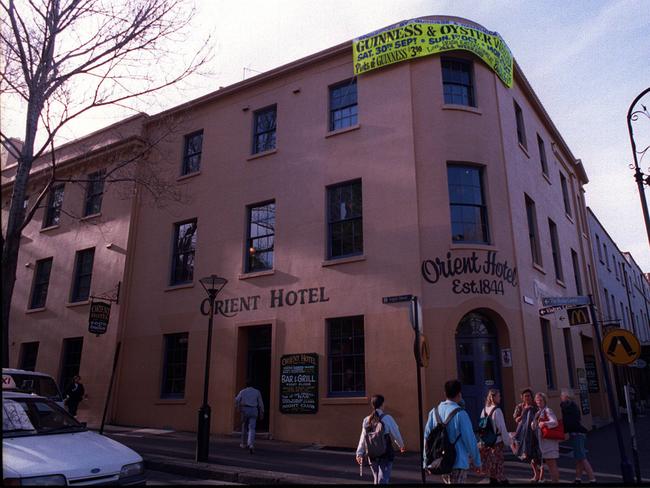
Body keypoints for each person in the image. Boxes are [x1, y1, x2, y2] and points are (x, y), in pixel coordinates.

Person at [423, 380, 481, 484]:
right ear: (459, 394)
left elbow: (427, 438)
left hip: (441, 461)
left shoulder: (434, 412)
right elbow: (470, 440)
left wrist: (426, 462)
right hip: (459, 461)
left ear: (445, 394)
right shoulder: (461, 414)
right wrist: (477, 461)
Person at [355, 394, 405, 484]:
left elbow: (363, 437)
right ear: (382, 404)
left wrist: (359, 453)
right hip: (386, 452)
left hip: (372, 453)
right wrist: (401, 445)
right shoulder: (387, 418)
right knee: (383, 480)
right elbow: (396, 434)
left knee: (376, 479)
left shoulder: (367, 420)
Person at [560, 389, 597, 484]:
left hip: (577, 433)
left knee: (582, 457)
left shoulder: (568, 407)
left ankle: (592, 479)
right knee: (579, 457)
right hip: (578, 433)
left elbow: (569, 422)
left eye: (562, 396)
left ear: (566, 397)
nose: (561, 397)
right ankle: (578, 478)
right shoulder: (573, 406)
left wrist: (563, 429)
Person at [478, 389, 511, 484]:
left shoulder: (484, 410)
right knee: (499, 468)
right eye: (498, 396)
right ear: (493, 397)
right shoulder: (497, 411)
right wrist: (508, 441)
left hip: (488, 442)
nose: (500, 397)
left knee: (492, 469)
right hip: (497, 442)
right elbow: (502, 428)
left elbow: (481, 427)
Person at [531, 392, 561, 483]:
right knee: (549, 464)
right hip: (543, 443)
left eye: (540, 400)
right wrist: (533, 424)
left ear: (544, 401)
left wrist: (544, 423)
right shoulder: (538, 412)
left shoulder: (548, 410)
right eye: (537, 400)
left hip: (549, 442)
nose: (538, 402)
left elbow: (554, 422)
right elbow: (535, 426)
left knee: (552, 465)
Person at [235, 381, 265, 454]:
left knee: (244, 426)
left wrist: (238, 407)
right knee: (252, 428)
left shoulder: (243, 391)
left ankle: (243, 443)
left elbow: (237, 400)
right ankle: (251, 444)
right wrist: (262, 412)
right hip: (254, 409)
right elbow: (260, 403)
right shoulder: (257, 392)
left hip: (245, 409)